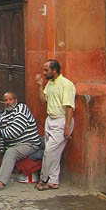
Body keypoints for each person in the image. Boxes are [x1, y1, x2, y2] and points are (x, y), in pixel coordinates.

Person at [0, 91, 41, 193]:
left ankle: (0, 182)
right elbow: (2, 138)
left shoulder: (21, 109)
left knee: (11, 152)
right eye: (6, 100)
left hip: (29, 143)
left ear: (15, 100)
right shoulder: (4, 116)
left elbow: (14, 132)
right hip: (16, 145)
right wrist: (0, 151)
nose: (8, 102)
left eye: (10, 99)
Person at [35, 59, 76, 191]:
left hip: (62, 120)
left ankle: (43, 179)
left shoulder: (66, 84)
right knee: (54, 152)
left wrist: (67, 127)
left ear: (54, 70)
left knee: (49, 152)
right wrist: (40, 85)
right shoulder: (50, 84)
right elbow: (42, 100)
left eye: (46, 70)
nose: (44, 72)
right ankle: (53, 181)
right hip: (50, 119)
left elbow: (69, 107)